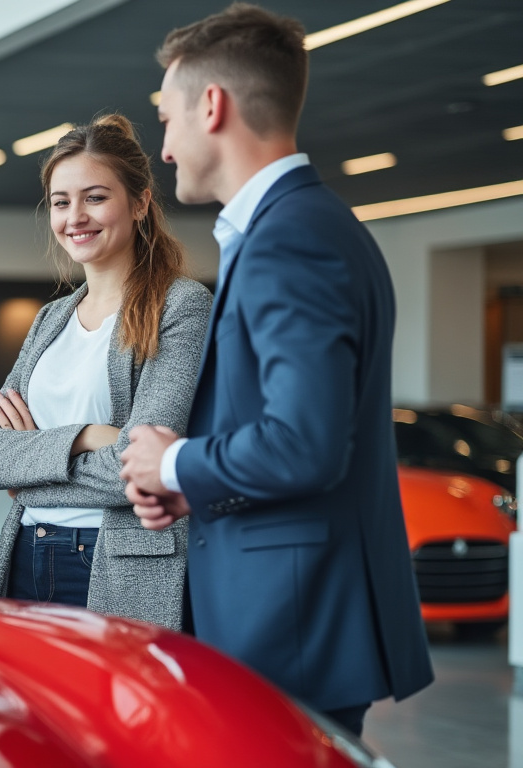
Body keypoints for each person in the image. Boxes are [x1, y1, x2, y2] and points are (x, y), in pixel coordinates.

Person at [117, 3, 433, 736]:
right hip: (298, 611)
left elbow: (304, 443)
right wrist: (197, 486)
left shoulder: (290, 241)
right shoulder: (310, 225)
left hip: (293, 621)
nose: (164, 148)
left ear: (213, 105)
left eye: (167, 118)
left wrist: (175, 464)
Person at [0, 115, 210, 629]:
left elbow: (138, 473)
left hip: (115, 564)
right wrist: (86, 438)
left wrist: (28, 468)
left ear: (140, 203)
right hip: (26, 555)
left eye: (95, 197)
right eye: (60, 201)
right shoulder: (52, 319)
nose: (75, 216)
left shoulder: (181, 307)